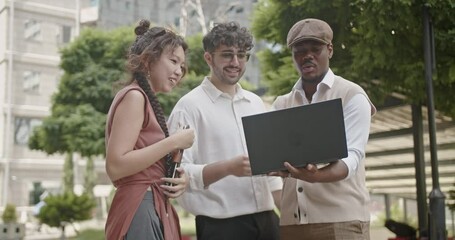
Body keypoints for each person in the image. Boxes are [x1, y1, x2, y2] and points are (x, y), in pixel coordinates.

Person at [167, 21, 282, 240]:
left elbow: (270, 170)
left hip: (268, 221)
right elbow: (177, 173)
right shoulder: (188, 107)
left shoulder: (256, 103)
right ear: (208, 58)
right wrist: (228, 167)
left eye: (242, 55)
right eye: (227, 55)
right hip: (220, 228)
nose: (235, 62)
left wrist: (285, 213)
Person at [271, 18, 376, 240]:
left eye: (315, 49)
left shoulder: (352, 95)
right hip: (292, 223)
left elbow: (352, 158)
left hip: (341, 223)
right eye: (299, 51)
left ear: (329, 50)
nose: (307, 56)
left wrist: (315, 176)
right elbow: (279, 158)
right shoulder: (281, 104)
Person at [104, 19, 195, 240]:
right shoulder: (135, 97)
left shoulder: (143, 99)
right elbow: (116, 165)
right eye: (173, 61)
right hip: (139, 207)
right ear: (148, 58)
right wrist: (174, 142)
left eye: (182, 67)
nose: (178, 71)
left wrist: (176, 178)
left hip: (148, 205)